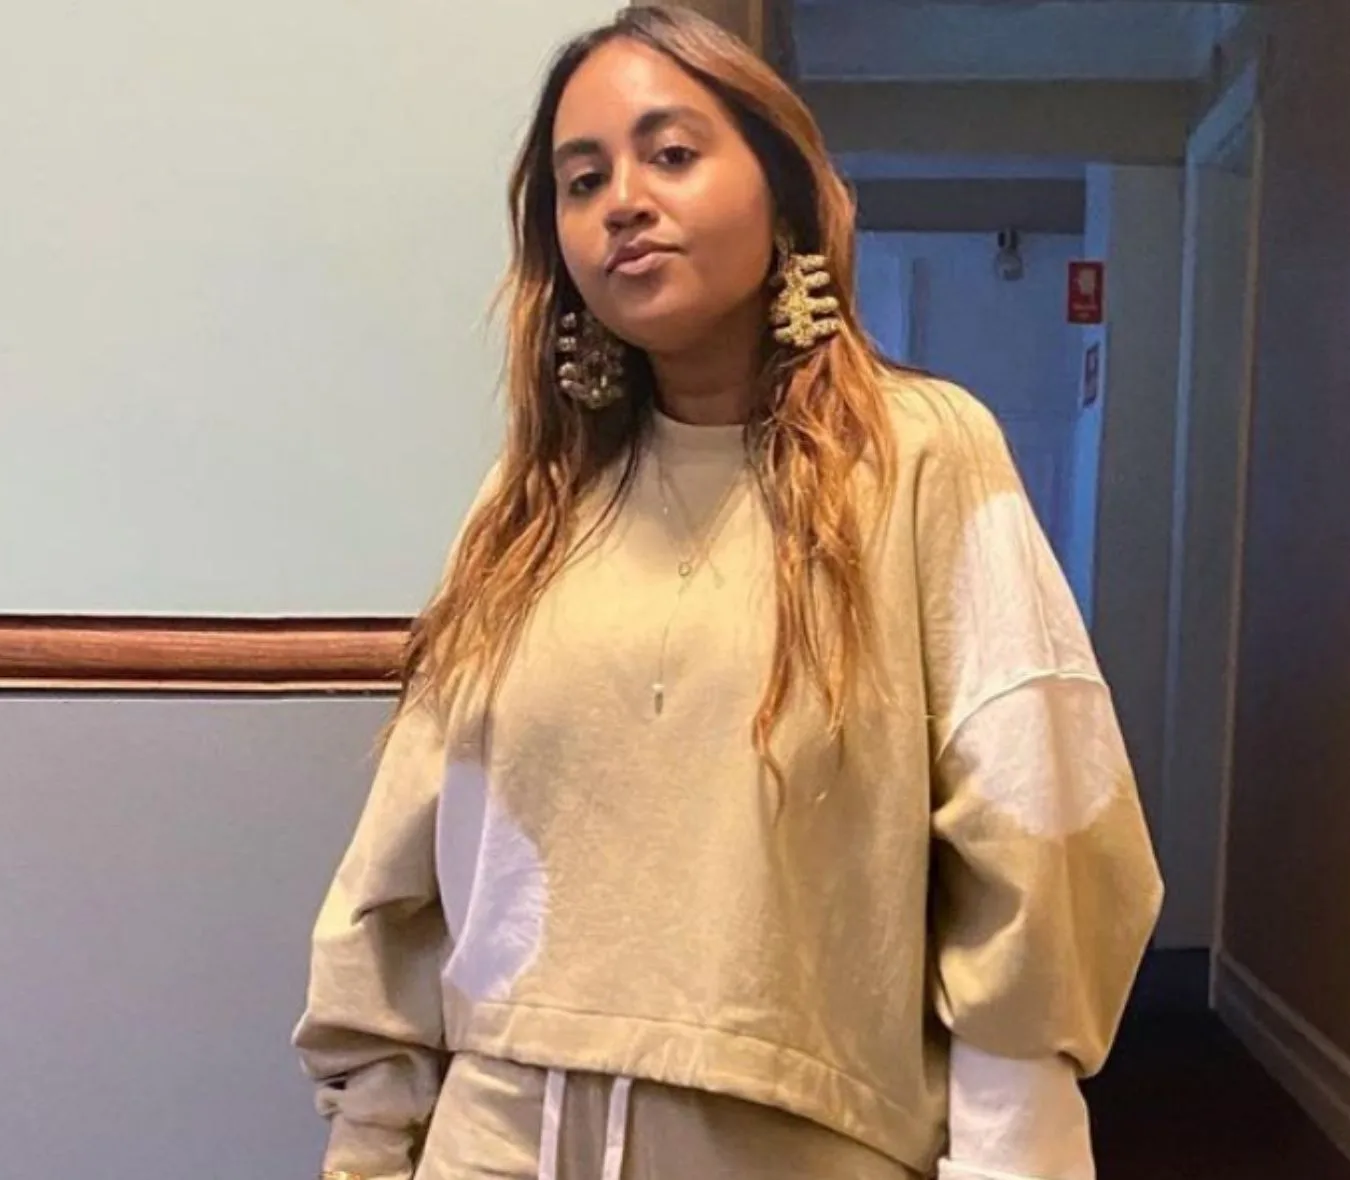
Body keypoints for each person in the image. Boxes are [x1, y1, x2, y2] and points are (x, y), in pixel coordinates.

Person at [293, 7, 1162, 1179]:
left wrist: (1014, 1150)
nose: (623, 202)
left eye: (672, 154)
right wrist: (369, 1138)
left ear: (783, 193)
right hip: (492, 1137)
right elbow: (399, 856)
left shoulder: (921, 457)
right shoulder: (530, 504)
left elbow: (1035, 825)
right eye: (582, 178)